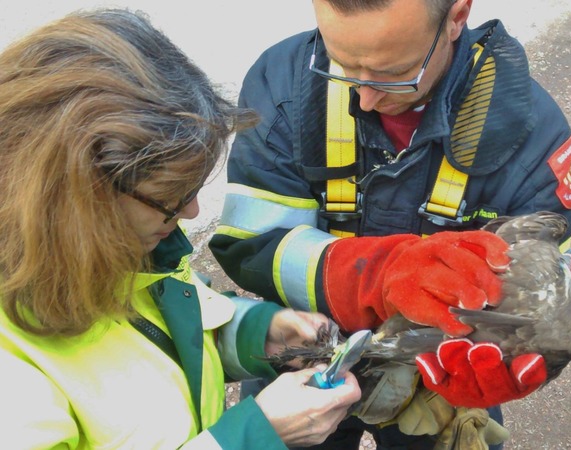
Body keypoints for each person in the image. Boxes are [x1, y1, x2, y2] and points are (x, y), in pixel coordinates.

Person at [210, 0, 571, 448]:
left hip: (436, 373)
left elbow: (533, 301)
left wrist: (508, 357)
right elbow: (253, 246)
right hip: (302, 350)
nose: (365, 97)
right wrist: (374, 279)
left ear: (456, 17)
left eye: (394, 72)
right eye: (342, 63)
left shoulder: (533, 137)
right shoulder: (284, 83)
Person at [0, 8, 361, 449]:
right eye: (171, 197)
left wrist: (255, 333)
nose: (190, 212)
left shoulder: (127, 252)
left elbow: (154, 342)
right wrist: (250, 438)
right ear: (77, 199)